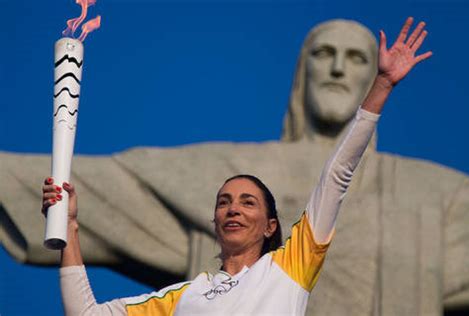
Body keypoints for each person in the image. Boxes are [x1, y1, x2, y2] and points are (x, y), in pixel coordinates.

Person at [41, 17, 433, 315]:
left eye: (248, 202)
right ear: (214, 220)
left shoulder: (290, 267)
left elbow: (336, 177)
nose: (233, 208)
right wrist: (70, 226)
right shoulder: (183, 297)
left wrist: (381, 85)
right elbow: (86, 313)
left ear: (270, 226)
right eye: (225, 201)